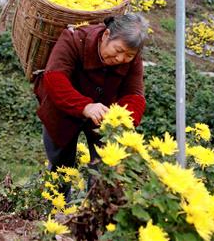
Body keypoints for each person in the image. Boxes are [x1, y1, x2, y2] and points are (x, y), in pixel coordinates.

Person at [34, 13, 149, 179]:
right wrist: (85, 106)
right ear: (106, 35)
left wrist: (122, 120)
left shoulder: (133, 59)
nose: (121, 58)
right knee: (60, 167)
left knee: (103, 169)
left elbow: (134, 94)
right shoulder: (74, 39)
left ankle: (94, 203)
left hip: (103, 119)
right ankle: (58, 204)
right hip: (62, 112)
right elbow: (55, 78)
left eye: (129, 55)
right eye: (118, 50)